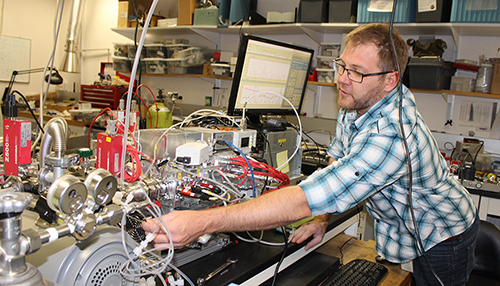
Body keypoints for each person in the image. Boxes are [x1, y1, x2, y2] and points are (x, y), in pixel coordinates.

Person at [143, 23, 478, 286]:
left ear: (390, 80)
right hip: (402, 224)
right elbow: (337, 162)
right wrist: (321, 219)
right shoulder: (359, 99)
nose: (341, 80)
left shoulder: (392, 135)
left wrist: (202, 221)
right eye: (342, 66)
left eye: (356, 72)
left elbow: (308, 198)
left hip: (442, 232)